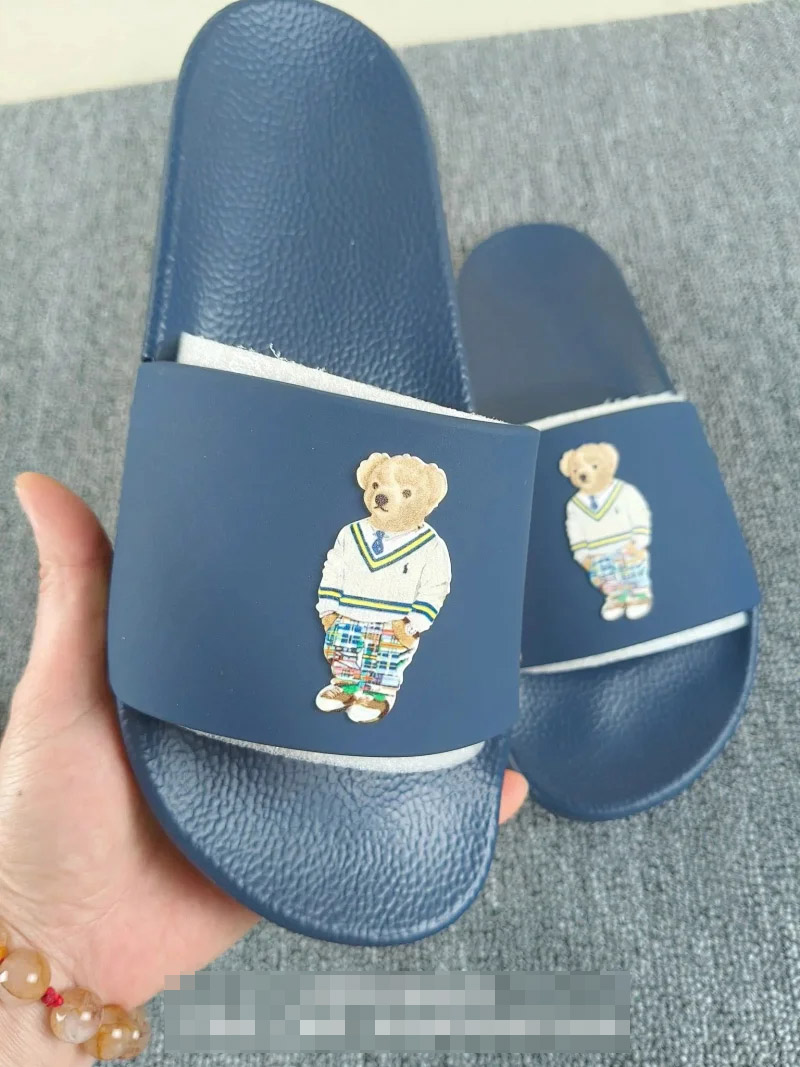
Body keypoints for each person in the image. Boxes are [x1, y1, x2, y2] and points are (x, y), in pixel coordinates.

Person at [0, 473, 528, 1066]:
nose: (387, 500)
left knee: (384, 663)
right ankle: (346, 686)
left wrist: (42, 938)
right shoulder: (354, 535)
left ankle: (372, 692)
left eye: (403, 494)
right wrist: (44, 938)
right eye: (382, 489)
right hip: (346, 618)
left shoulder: (428, 546)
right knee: (347, 654)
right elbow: (335, 568)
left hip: (393, 623)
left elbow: (436, 582)